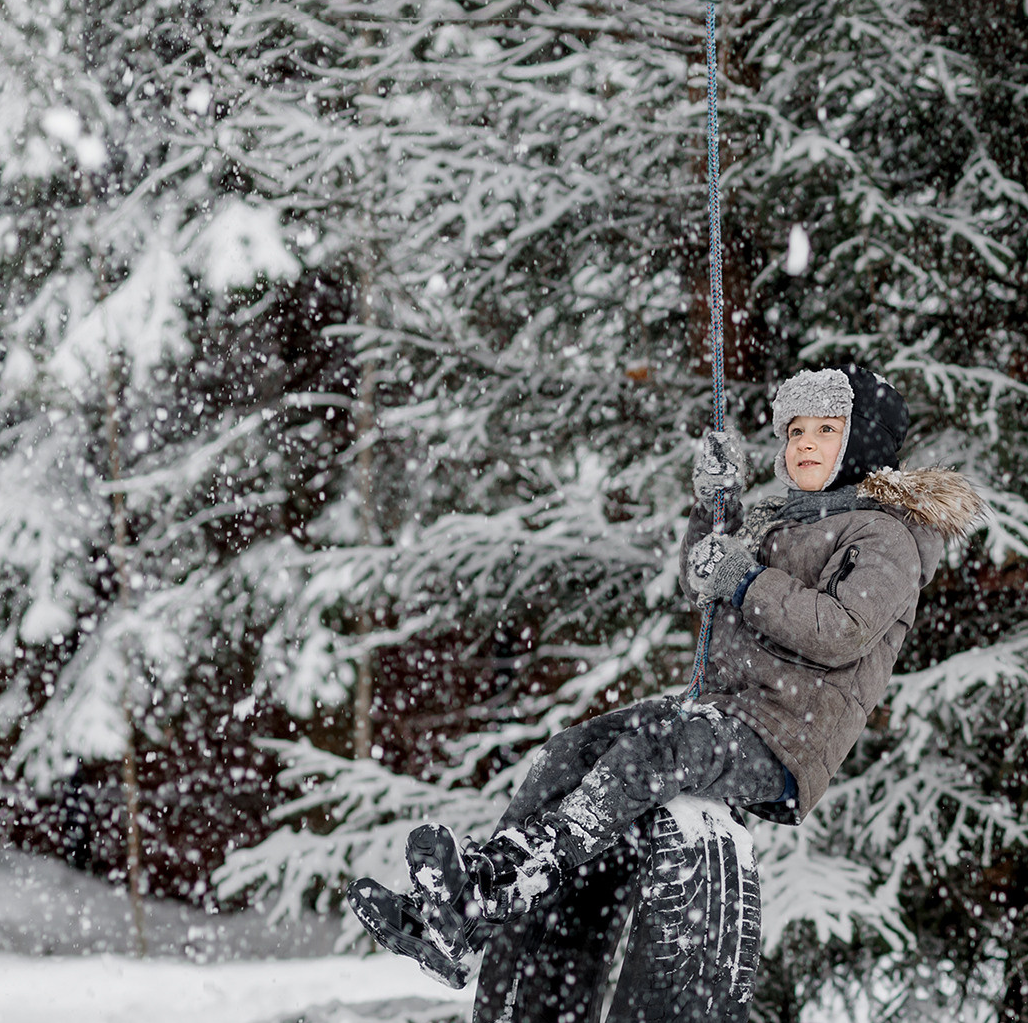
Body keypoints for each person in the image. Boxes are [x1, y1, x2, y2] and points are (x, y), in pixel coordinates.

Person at [348, 363, 983, 986]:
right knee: (578, 749)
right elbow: (700, 582)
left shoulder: (885, 536)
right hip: (722, 713)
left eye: (824, 430)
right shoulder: (774, 521)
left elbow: (838, 630)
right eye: (794, 432)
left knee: (658, 751)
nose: (804, 445)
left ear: (860, 443)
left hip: (787, 735)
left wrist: (748, 579)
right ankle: (470, 902)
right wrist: (715, 506)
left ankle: (509, 890)